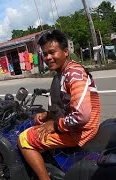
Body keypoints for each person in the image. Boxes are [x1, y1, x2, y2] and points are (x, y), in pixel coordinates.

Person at [18, 30, 101, 180]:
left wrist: (55, 125)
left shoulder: (73, 74)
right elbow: (65, 104)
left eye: (52, 52)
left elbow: (81, 115)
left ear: (65, 52)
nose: (48, 57)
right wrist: (48, 115)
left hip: (81, 131)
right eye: (45, 54)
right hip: (77, 127)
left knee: (24, 139)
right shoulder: (62, 73)